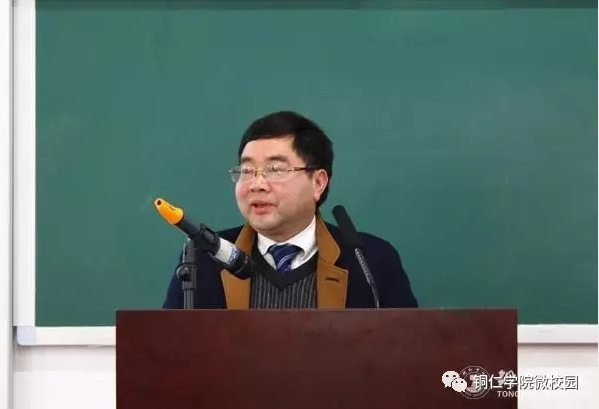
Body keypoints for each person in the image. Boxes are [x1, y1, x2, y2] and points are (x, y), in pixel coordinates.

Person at [162, 110, 418, 309]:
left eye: (275, 170)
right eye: (247, 170)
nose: (256, 184)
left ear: (318, 183)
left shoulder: (370, 261)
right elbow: (167, 351)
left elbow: (407, 351)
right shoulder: (204, 258)